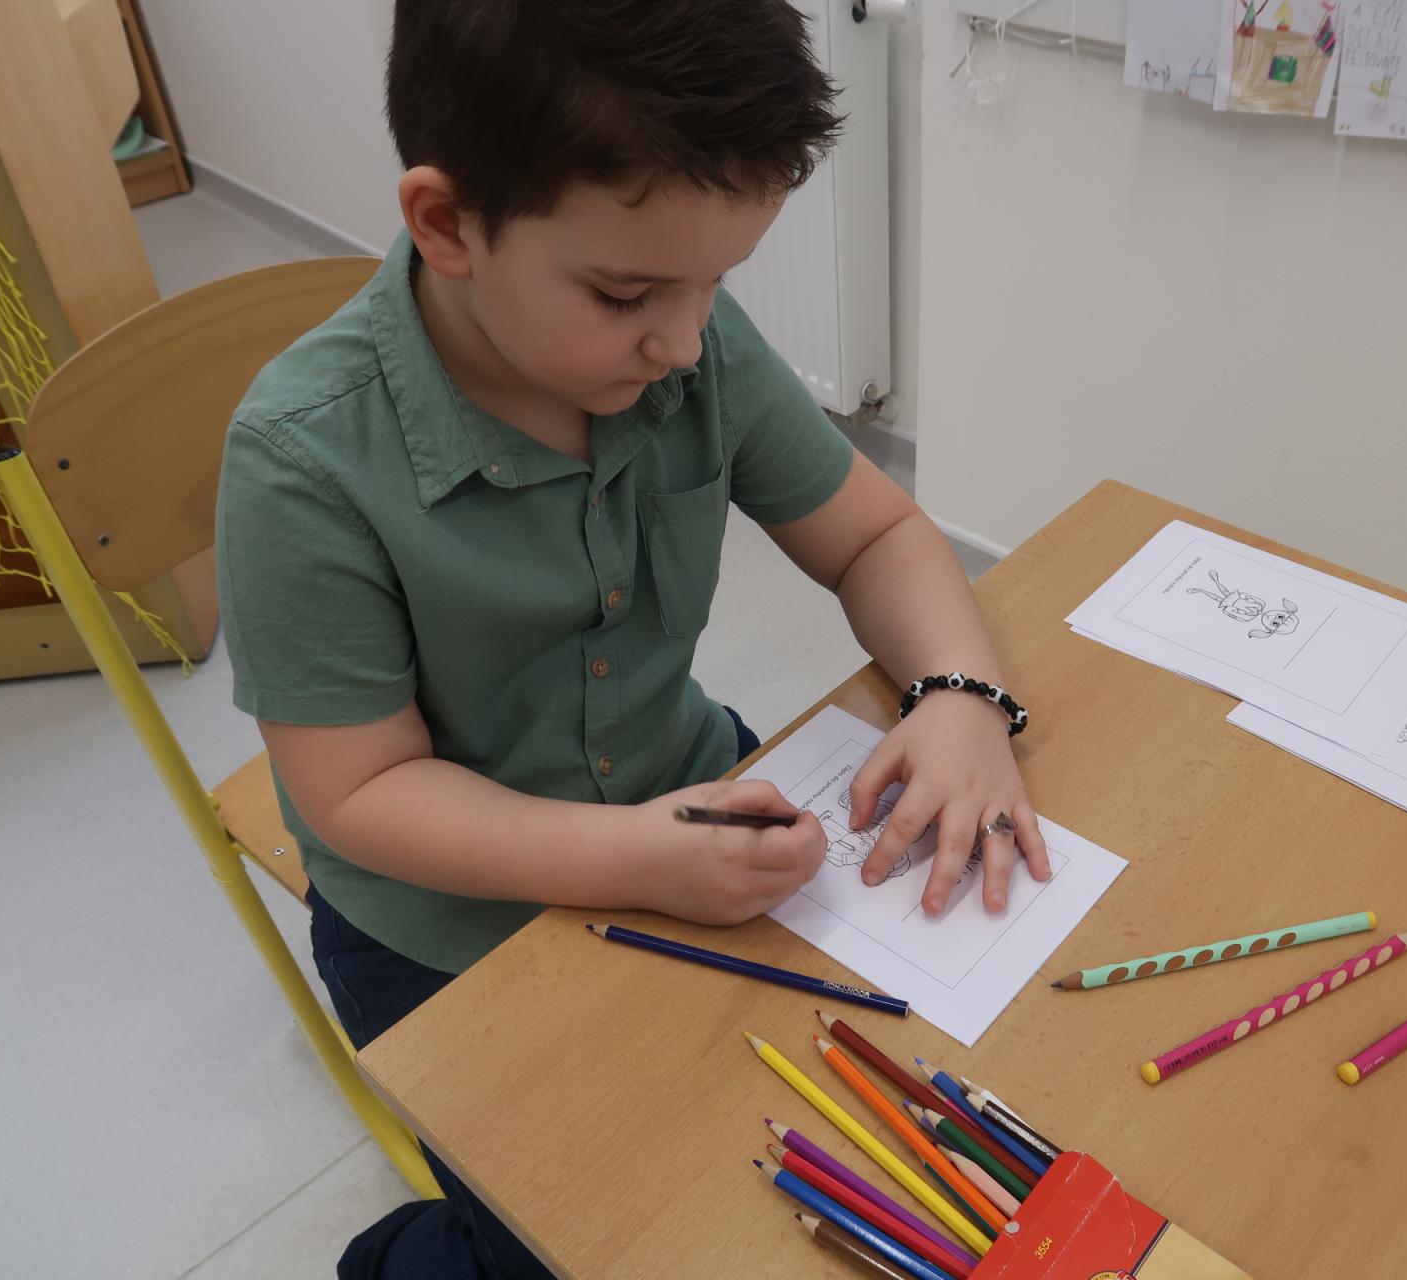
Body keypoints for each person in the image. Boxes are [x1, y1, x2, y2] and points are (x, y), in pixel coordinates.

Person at [215, 1, 1047, 1273]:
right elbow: (359, 791)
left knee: (837, 1144)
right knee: (572, 1234)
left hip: (691, 797)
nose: (687, 339)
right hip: (447, 928)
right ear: (448, 224)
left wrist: (961, 695)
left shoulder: (681, 344)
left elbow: (876, 535)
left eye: (719, 282)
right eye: (626, 293)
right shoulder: (302, 461)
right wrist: (633, 858)